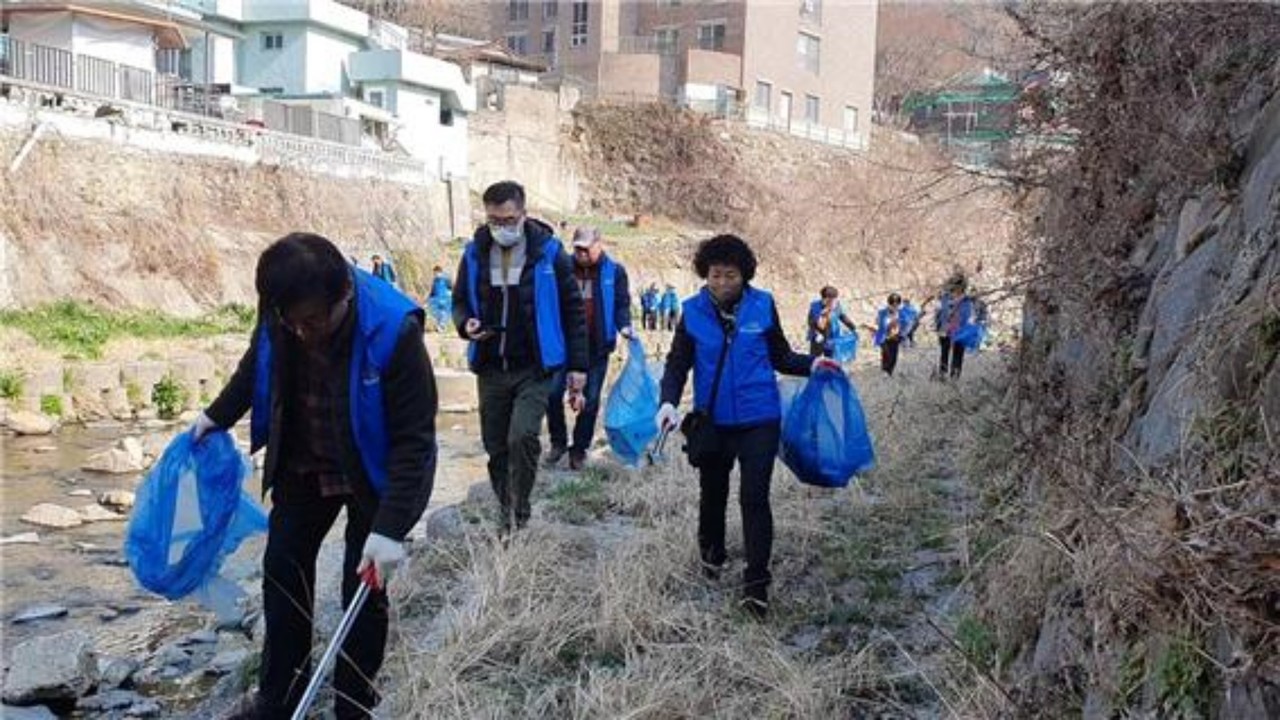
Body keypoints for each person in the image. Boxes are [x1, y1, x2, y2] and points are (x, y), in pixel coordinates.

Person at [191, 233, 437, 719]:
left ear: (344, 292)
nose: (305, 331)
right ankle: (278, 697)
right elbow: (252, 370)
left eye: (316, 320)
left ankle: (353, 703)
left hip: (372, 473)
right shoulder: (281, 312)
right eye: (293, 322)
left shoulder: (393, 330)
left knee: (362, 591)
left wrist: (390, 530)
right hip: (305, 462)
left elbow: (414, 441)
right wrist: (214, 417)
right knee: (283, 570)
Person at [654, 234, 837, 619]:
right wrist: (668, 403)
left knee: (754, 498)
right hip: (713, 420)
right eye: (715, 275)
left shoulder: (763, 305)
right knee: (713, 494)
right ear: (705, 274)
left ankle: (756, 586)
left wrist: (813, 365)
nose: (722, 284)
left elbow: (781, 356)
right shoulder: (692, 310)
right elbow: (677, 364)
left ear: (745, 275)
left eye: (731, 276)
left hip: (759, 418)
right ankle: (711, 559)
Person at [452, 181, 588, 533]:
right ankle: (505, 508)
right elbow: (459, 303)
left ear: (523, 214)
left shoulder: (549, 253)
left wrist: (578, 367)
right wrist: (465, 325)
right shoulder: (474, 253)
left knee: (523, 436)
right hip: (491, 365)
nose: (502, 227)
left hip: (535, 366)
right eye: (494, 220)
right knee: (495, 446)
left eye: (509, 219)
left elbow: (573, 310)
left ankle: (521, 509)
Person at [545, 227, 633, 470]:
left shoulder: (614, 272)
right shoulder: (563, 268)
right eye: (577, 249)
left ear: (598, 244)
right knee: (551, 394)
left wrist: (624, 326)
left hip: (596, 347)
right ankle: (558, 442)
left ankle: (579, 448)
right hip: (563, 345)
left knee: (591, 400)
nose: (581, 254)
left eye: (586, 248)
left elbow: (622, 304)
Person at [934, 277, 975, 380]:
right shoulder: (945, 298)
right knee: (944, 352)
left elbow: (969, 315)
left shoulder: (967, 300)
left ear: (963, 287)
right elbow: (939, 313)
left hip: (960, 330)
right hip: (945, 329)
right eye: (954, 286)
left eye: (959, 286)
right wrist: (938, 327)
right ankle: (942, 374)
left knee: (958, 353)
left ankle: (955, 376)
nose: (956, 289)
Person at [806, 286, 858, 357]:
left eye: (835, 299)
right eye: (832, 300)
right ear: (825, 299)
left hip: (832, 337)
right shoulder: (815, 307)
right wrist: (817, 333)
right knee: (814, 359)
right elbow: (811, 323)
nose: (834, 301)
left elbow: (842, 316)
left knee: (831, 359)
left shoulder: (836, 305)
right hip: (818, 338)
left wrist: (853, 327)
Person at [873, 293, 904, 376]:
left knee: (894, 356)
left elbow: (907, 322)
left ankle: (889, 371)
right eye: (892, 304)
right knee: (886, 354)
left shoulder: (901, 313)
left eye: (896, 304)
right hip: (884, 337)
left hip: (896, 337)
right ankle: (885, 370)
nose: (894, 306)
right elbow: (877, 323)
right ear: (889, 304)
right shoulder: (882, 312)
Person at [427, 264, 453, 332]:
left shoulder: (446, 279)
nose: (435, 274)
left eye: (436, 273)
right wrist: (429, 298)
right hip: (437, 299)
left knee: (444, 314)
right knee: (437, 314)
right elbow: (433, 291)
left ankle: (441, 327)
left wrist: (449, 297)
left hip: (445, 299)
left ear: (440, 272)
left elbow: (450, 289)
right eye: (434, 273)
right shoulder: (435, 281)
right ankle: (440, 326)